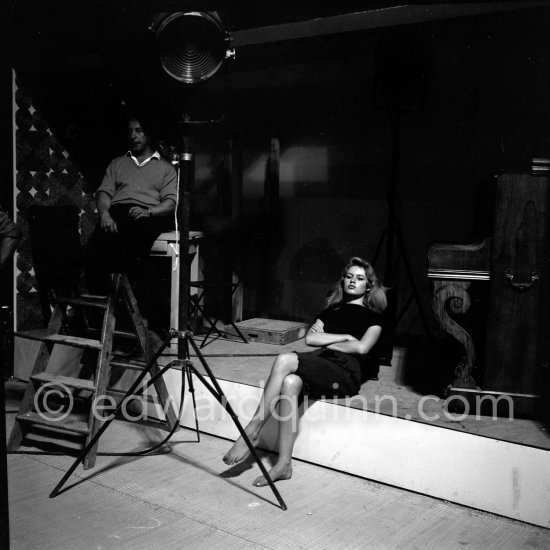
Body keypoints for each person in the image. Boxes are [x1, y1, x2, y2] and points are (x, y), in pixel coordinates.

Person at [222, 256, 387, 486]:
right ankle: (284, 465)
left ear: (368, 285)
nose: (352, 281)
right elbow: (310, 339)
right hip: (321, 363)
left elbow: (361, 347)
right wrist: (345, 337)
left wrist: (327, 340)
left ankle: (253, 428)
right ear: (343, 281)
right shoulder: (330, 311)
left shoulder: (374, 318)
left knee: (284, 359)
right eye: (349, 276)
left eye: (359, 278)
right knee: (290, 383)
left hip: (345, 373)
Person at [85, 113, 177, 334]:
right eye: (130, 131)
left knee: (131, 263)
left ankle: (131, 324)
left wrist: (149, 211)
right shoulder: (118, 162)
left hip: (145, 215)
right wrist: (105, 214)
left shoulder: (165, 167)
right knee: (94, 255)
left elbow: (170, 203)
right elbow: (104, 193)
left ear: (149, 134)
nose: (133, 136)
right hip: (118, 212)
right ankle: (102, 321)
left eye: (139, 131)